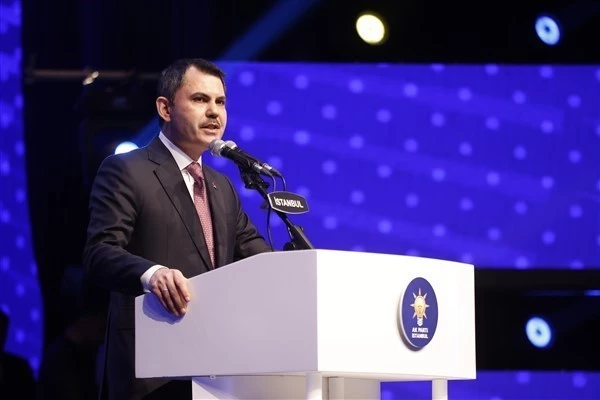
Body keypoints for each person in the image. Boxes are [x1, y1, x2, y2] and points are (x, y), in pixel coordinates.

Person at [83, 58, 272, 400]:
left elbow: (258, 258)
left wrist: (299, 269)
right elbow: (100, 252)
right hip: (151, 371)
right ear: (165, 109)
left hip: (215, 369)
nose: (214, 112)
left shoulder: (221, 187)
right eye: (200, 99)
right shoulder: (127, 170)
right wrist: (152, 274)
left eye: (220, 102)